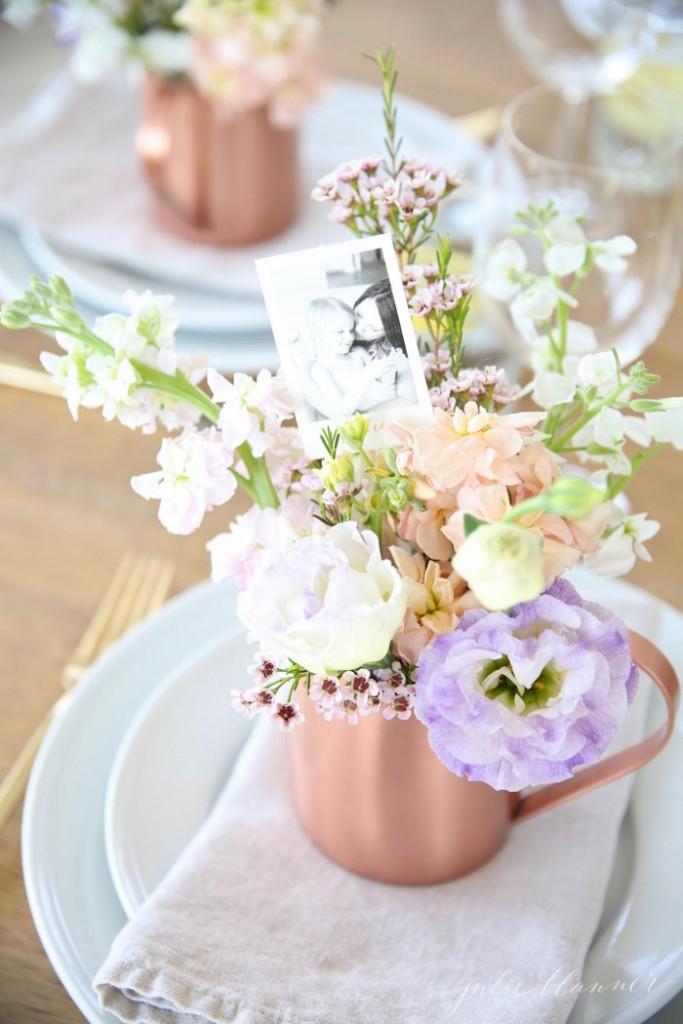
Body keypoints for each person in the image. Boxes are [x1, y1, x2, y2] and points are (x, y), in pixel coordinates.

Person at [299, 297, 403, 420]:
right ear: (318, 333)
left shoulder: (359, 353)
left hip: (385, 413)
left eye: (351, 330)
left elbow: (388, 392)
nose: (349, 337)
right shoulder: (319, 368)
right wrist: (367, 376)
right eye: (340, 332)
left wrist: (390, 367)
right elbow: (344, 410)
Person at [353, 281, 416, 406]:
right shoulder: (337, 316)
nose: (359, 328)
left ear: (388, 333)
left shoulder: (396, 356)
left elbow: (408, 399)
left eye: (374, 329)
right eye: (359, 315)